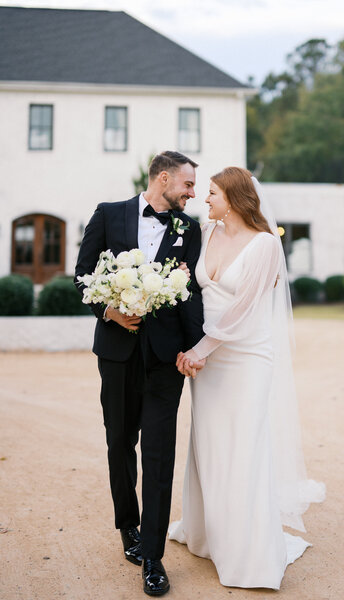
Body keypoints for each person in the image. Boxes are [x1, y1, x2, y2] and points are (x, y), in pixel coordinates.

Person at [170, 167, 325, 590]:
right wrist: (192, 347)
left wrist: (200, 350)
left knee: (244, 445)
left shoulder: (265, 245)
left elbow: (242, 311)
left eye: (213, 192)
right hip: (207, 362)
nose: (206, 199)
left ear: (235, 198)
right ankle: (208, 533)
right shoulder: (207, 231)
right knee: (209, 443)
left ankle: (249, 554)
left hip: (244, 357)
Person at [74, 151, 205, 597]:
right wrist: (108, 309)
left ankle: (153, 556)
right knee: (119, 443)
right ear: (163, 178)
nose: (192, 193)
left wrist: (194, 349)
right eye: (188, 185)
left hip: (166, 360)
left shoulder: (189, 229)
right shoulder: (108, 215)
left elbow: (190, 294)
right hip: (117, 354)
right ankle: (127, 527)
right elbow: (82, 276)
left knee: (159, 454)